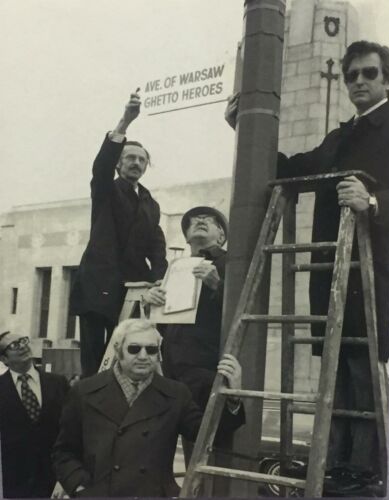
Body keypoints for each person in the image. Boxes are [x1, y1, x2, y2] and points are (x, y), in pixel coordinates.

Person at [225, 40, 389, 488]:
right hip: (331, 272)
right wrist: (246, 128)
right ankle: (337, 463)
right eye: (352, 74)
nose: (359, 81)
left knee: (363, 370)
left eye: (369, 74)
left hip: (376, 270)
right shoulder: (339, 138)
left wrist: (374, 200)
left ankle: (366, 470)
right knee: (335, 370)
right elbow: (289, 168)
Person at [53, 319, 244, 498]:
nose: (143, 356)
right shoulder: (84, 391)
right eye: (134, 349)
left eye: (151, 349)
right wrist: (80, 486)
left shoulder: (176, 394)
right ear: (118, 350)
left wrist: (233, 397)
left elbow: (209, 435)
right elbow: (64, 452)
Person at [70, 93, 168, 377]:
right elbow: (99, 168)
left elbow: (157, 248)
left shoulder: (151, 204)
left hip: (131, 290)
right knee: (94, 359)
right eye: (130, 158)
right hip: (98, 286)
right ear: (118, 163)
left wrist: (161, 279)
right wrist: (125, 122)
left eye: (141, 159)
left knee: (126, 354)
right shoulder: (107, 190)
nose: (136, 163)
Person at [144, 206, 228, 411]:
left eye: (209, 220)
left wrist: (218, 285)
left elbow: (243, 309)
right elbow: (165, 323)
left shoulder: (230, 262)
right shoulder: (175, 268)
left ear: (221, 236)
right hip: (172, 366)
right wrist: (151, 305)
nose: (200, 220)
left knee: (204, 432)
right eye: (193, 220)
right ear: (187, 238)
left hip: (206, 365)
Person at [0, 330, 69, 498]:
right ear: (4, 359)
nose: (22, 346)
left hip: (56, 480)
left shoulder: (58, 383)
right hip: (16, 482)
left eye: (23, 341)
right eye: (14, 345)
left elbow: (72, 428)